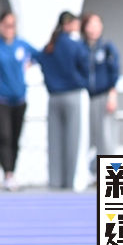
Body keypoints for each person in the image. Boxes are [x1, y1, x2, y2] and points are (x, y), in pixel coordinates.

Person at [0, 10, 38, 190]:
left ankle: (12, 171)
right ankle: (7, 173)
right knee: (4, 136)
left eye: (13, 25)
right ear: (0, 26)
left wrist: (29, 64)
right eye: (7, 25)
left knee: (15, 138)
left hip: (19, 99)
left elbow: (40, 56)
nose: (10, 29)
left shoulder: (21, 45)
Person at [38, 10, 90, 191]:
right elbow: (86, 66)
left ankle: (55, 180)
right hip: (73, 94)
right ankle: (72, 181)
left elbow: (41, 60)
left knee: (55, 141)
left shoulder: (50, 46)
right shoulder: (75, 45)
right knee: (75, 140)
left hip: (53, 97)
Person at [82, 11, 121, 169]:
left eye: (97, 24)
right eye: (90, 25)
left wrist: (112, 95)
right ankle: (91, 171)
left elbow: (114, 72)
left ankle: (109, 170)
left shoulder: (107, 47)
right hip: (86, 98)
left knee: (106, 136)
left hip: (104, 96)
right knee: (89, 136)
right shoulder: (82, 49)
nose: (93, 28)